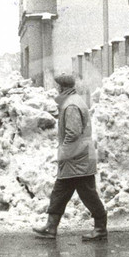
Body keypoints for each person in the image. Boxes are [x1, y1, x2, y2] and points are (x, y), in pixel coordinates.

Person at [32, 72, 108, 241]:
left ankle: (100, 227)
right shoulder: (71, 102)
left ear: (61, 87)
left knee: (87, 194)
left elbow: (72, 133)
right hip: (77, 156)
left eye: (56, 87)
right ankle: (51, 227)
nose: (55, 90)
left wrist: (64, 153)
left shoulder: (71, 105)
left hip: (77, 157)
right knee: (60, 192)